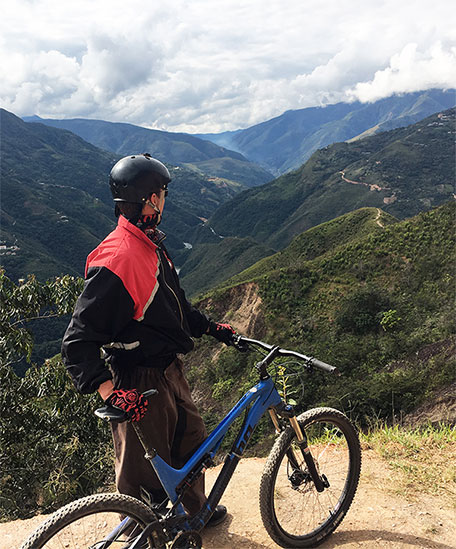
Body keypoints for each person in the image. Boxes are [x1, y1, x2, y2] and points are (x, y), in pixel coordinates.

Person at [61, 153, 234, 526]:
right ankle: (143, 529)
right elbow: (77, 341)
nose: (165, 200)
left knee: (190, 442)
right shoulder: (120, 259)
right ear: (151, 200)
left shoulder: (148, 243)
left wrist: (210, 327)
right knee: (145, 470)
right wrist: (109, 391)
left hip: (169, 368)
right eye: (163, 194)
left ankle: (193, 513)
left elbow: (173, 305)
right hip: (137, 379)